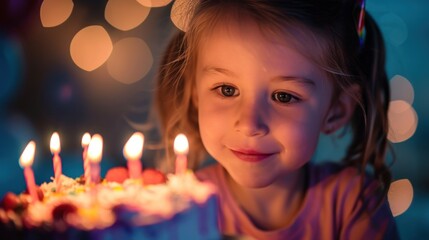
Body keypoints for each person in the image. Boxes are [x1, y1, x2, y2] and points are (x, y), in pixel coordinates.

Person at [155, 0, 399, 239]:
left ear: (335, 110)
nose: (250, 125)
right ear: (195, 93)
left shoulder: (355, 204)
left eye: (283, 96)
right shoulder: (180, 207)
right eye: (227, 89)